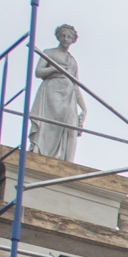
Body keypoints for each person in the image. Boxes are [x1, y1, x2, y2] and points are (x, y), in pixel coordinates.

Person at [32, 24, 86, 161]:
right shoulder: (49, 53)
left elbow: (76, 85)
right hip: (52, 91)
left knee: (71, 128)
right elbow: (38, 72)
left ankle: (69, 162)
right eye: (63, 36)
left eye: (69, 36)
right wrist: (55, 69)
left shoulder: (73, 61)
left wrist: (84, 108)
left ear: (73, 40)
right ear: (58, 37)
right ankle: (44, 155)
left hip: (69, 94)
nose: (65, 39)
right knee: (50, 125)